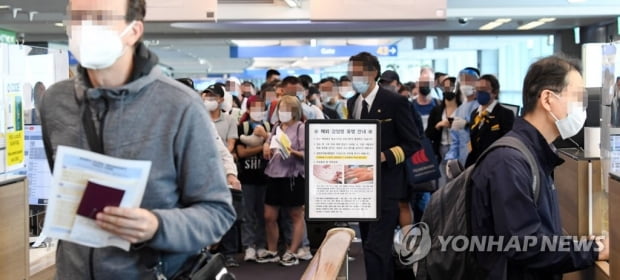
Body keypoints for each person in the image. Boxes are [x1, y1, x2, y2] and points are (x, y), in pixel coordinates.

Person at [39, 0, 235, 278]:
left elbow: (217, 213)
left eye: (101, 18)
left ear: (134, 30)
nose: (86, 28)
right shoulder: (57, 102)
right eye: (78, 18)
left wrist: (157, 226)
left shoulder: (179, 105)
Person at [470, 55, 609, 280]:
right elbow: (526, 246)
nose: (583, 107)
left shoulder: (532, 154)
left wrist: (583, 245)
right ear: (547, 99)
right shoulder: (509, 161)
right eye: (578, 98)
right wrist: (594, 250)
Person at [346, 52, 420, 280]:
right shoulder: (352, 102)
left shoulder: (395, 102)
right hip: (361, 185)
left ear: (373, 73)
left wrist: (383, 157)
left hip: (387, 185)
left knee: (376, 247)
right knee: (372, 244)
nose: (353, 77)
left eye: (357, 73)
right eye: (351, 73)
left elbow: (412, 143)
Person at [259, 96, 306, 266]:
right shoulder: (276, 127)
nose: (283, 113)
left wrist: (291, 151)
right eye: (281, 109)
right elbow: (269, 142)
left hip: (293, 176)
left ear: (295, 111)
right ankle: (272, 250)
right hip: (274, 174)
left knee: (295, 214)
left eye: (287, 109)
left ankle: (292, 251)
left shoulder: (301, 127)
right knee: (269, 216)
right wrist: (266, 146)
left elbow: (307, 153)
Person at [237, 96, 271, 263]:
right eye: (255, 108)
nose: (258, 112)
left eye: (261, 108)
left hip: (264, 177)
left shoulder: (267, 127)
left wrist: (266, 139)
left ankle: (261, 245)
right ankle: (249, 246)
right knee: (247, 214)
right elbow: (241, 153)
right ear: (248, 109)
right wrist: (262, 146)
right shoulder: (242, 127)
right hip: (246, 178)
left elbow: (273, 148)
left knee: (263, 215)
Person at [464, 74, 515, 167]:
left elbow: (507, 145)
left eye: (483, 89)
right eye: (477, 89)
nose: (479, 92)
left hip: (495, 165)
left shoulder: (505, 114)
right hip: (475, 165)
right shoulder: (475, 114)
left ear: (495, 92)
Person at [426, 76, 461, 188]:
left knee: (457, 182)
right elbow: (428, 133)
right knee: (442, 184)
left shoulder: (463, 109)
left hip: (459, 149)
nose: (448, 90)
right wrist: (438, 125)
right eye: (445, 88)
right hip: (441, 149)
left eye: (451, 87)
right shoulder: (436, 110)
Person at [445, 67, 480, 169]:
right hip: (463, 161)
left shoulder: (482, 106)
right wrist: (451, 158)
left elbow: (485, 131)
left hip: (479, 160)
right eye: (463, 81)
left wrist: (467, 125)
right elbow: (455, 140)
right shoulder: (460, 110)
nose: (465, 84)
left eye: (468, 80)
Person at [202, 84, 239, 153]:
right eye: (207, 95)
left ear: (221, 100)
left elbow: (231, 144)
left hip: (222, 160)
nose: (209, 99)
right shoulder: (200, 119)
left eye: (213, 96)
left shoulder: (230, 120)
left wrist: (220, 158)